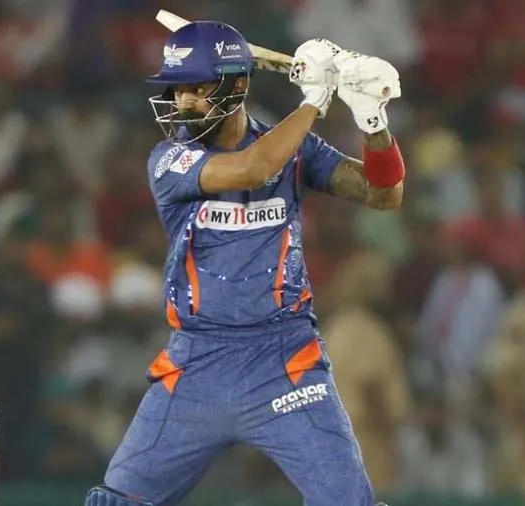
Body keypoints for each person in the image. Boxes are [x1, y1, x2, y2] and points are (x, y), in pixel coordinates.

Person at [83, 21, 405, 506]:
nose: (183, 100)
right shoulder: (170, 158)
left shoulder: (295, 148)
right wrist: (315, 100)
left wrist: (372, 121)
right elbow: (254, 168)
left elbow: (384, 194)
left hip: (285, 361)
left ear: (236, 86)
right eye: (178, 88)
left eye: (196, 88)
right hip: (197, 365)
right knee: (116, 501)